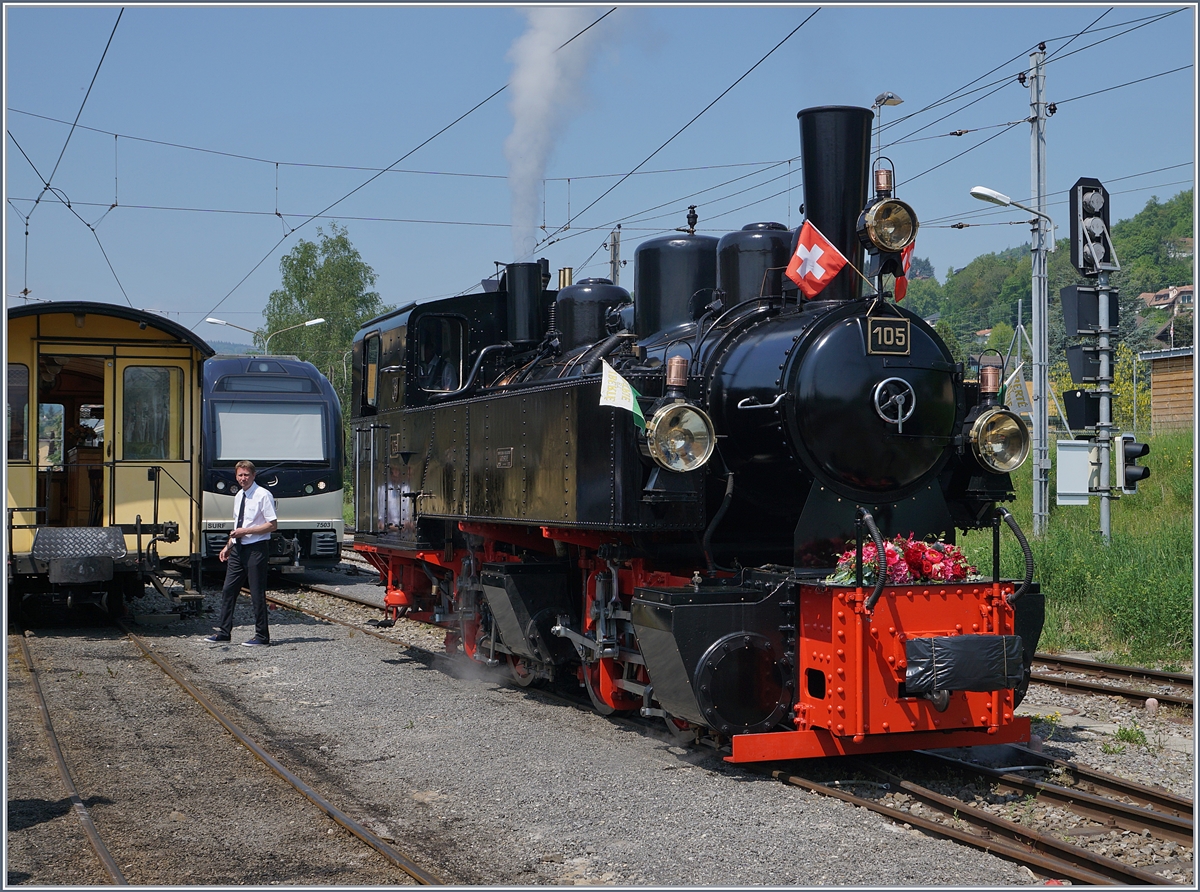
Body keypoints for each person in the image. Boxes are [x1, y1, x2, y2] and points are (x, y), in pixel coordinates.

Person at [204, 460, 277, 646]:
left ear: (253, 475)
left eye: (246, 475)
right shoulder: (239, 496)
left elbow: (272, 525)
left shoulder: (263, 495)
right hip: (238, 548)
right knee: (229, 590)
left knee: (256, 592)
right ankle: (223, 632)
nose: (243, 478)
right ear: (236, 477)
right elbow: (238, 524)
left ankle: (262, 636)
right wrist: (228, 545)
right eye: (240, 475)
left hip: (256, 549)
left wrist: (245, 532)